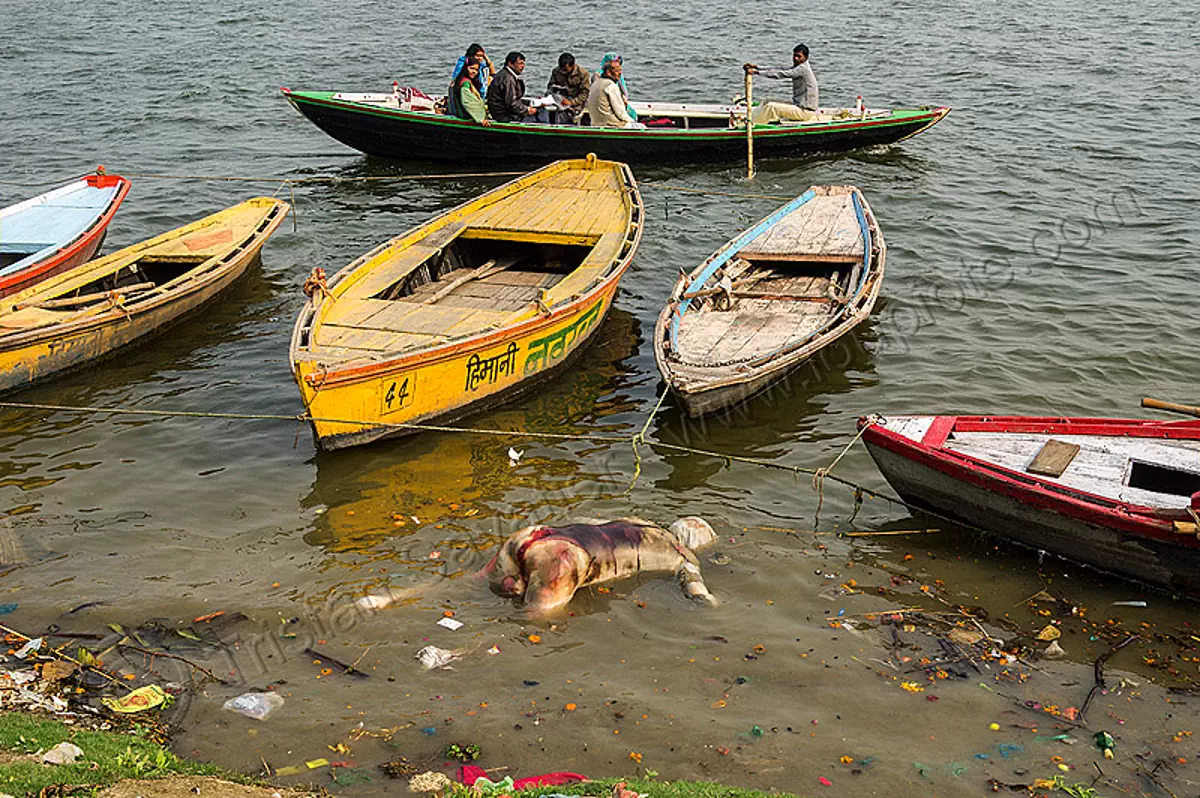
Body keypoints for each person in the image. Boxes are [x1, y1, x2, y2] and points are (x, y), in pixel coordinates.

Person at [744, 43, 820, 124]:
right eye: (794, 56)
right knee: (767, 100)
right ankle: (751, 119)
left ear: (805, 57)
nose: (795, 58)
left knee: (771, 107)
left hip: (804, 112)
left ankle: (753, 125)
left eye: (799, 56)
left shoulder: (803, 69)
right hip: (797, 106)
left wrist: (756, 72)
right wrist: (757, 67)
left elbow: (780, 74)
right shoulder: (798, 67)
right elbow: (779, 68)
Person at [586, 53, 643, 128]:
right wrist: (633, 122)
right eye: (617, 71)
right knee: (641, 127)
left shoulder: (595, 83)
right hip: (611, 125)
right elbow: (620, 112)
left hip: (595, 124)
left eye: (620, 70)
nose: (620, 73)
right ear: (608, 72)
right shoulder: (611, 86)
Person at [486, 51, 540, 122]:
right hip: (503, 114)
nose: (523, 66)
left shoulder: (508, 75)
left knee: (539, 109)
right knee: (537, 116)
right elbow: (511, 103)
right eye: (520, 63)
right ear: (510, 64)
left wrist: (530, 103)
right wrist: (527, 110)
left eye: (523, 63)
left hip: (505, 110)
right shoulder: (507, 78)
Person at [546, 52, 590, 124]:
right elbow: (550, 87)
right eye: (561, 69)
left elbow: (585, 93)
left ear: (572, 66)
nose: (563, 72)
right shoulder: (556, 71)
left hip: (577, 101)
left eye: (565, 70)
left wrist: (571, 102)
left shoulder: (583, 73)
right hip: (560, 99)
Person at [448, 60, 491, 126]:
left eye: (476, 70)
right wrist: (480, 119)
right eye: (471, 68)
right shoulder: (465, 83)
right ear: (466, 68)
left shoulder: (458, 79)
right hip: (464, 114)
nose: (474, 72)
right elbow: (467, 103)